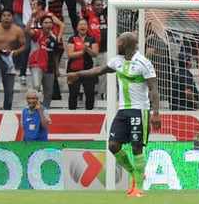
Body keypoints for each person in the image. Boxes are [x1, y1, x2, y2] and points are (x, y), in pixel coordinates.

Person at [66, 32, 161, 198]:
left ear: (125, 43)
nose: (116, 44)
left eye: (119, 41)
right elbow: (99, 70)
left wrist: (156, 113)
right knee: (113, 145)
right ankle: (135, 172)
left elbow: (154, 88)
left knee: (137, 147)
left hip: (139, 109)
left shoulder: (143, 63)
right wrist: (78, 74)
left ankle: (138, 188)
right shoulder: (117, 60)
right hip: (123, 110)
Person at [0, 10, 27, 110]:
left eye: (8, 16)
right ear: (1, 18)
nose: (6, 18)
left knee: (9, 87)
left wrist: (16, 51)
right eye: (4, 16)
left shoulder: (18, 30)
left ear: (12, 18)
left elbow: (24, 45)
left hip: (10, 58)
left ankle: (8, 108)